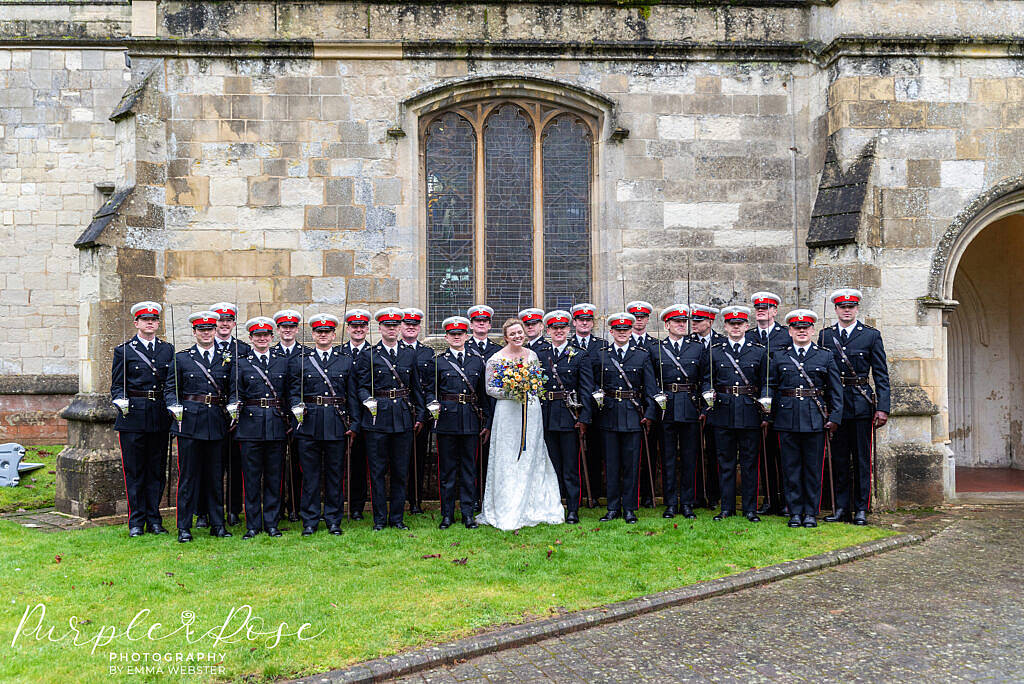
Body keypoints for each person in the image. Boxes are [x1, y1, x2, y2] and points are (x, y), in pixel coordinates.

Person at [476, 318, 564, 530]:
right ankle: (507, 505)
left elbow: (537, 382)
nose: (517, 336)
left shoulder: (532, 355)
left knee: (531, 453)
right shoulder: (496, 359)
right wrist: (513, 391)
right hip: (507, 412)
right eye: (512, 334)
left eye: (520, 333)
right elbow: (490, 389)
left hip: (531, 410)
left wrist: (528, 388)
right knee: (508, 455)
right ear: (505, 337)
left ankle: (533, 504)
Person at [818, 288, 890, 526]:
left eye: (850, 307)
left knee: (861, 459)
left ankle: (861, 508)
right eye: (842, 307)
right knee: (838, 459)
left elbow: (881, 374)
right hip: (835, 406)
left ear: (857, 309)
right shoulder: (825, 336)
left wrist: (883, 408)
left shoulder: (870, 336)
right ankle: (841, 508)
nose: (846, 310)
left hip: (860, 404)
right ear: (836, 309)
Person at [768, 309, 843, 529]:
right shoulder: (780, 356)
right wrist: (768, 413)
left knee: (813, 468)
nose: (802, 331)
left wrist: (835, 417)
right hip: (786, 418)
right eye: (797, 328)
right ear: (790, 331)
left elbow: (835, 390)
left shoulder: (825, 355)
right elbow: (771, 386)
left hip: (815, 418)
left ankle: (810, 512)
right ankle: (794, 512)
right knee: (790, 468)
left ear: (812, 330)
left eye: (806, 328)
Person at [288, 314, 360, 536]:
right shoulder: (300, 360)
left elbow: (352, 396)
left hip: (336, 424)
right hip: (308, 424)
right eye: (319, 332)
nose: (323, 335)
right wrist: (296, 412)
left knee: (334, 475)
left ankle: (333, 519)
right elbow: (292, 393)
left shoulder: (345, 361)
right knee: (309, 476)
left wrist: (355, 423)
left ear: (333, 335)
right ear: (313, 335)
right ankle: (309, 520)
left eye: (327, 332)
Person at [355, 308, 426, 531]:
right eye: (388, 326)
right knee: (376, 471)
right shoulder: (369, 355)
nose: (392, 329)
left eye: (395, 326)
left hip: (403, 418)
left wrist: (421, 413)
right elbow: (362, 385)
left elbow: (415, 387)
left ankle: (397, 518)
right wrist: (367, 400)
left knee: (400, 469)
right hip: (377, 419)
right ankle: (378, 519)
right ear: (380, 329)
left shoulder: (408, 354)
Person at [166, 311, 232, 542]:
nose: (206, 333)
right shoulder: (182, 358)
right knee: (188, 477)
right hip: (190, 424)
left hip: (216, 422)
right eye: (201, 330)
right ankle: (184, 526)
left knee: (215, 477)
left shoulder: (227, 357)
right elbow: (171, 389)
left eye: (210, 329)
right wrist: (174, 407)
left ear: (215, 331)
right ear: (194, 332)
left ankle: (217, 524)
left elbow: (232, 390)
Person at [110, 301, 174, 537]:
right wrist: (120, 400)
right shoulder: (124, 350)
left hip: (158, 416)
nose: (150, 323)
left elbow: (170, 384)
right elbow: (117, 385)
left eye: (154, 319)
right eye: (145, 319)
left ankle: (154, 518)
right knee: (135, 471)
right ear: (136, 322)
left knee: (156, 470)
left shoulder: (167, 350)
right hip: (133, 417)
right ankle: (136, 521)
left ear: (158, 323)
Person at [703, 306, 767, 522]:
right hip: (723, 411)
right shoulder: (715, 350)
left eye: (740, 324)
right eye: (732, 324)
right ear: (726, 327)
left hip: (750, 412)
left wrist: (765, 405)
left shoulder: (758, 351)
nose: (736, 327)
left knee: (749, 463)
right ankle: (727, 507)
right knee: (726, 462)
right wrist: (707, 394)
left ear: (747, 327)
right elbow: (706, 378)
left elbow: (766, 382)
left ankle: (750, 509)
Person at [229, 317, 290, 538]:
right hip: (249, 426)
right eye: (257, 335)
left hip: (275, 424)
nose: (262, 339)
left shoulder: (282, 361)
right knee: (251, 478)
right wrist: (233, 407)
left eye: (266, 335)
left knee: (274, 477)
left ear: (272, 338)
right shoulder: (241, 363)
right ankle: (253, 524)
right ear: (251, 338)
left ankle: (272, 523)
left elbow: (288, 393)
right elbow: (236, 392)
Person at [594, 312, 659, 523]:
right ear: (611, 332)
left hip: (633, 416)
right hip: (609, 415)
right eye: (618, 330)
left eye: (626, 330)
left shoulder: (641, 355)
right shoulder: (602, 354)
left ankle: (630, 508)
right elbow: (594, 385)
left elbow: (651, 388)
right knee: (611, 465)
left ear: (631, 331)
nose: (622, 333)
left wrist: (649, 414)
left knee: (631, 465)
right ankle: (613, 508)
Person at [429, 316, 491, 529]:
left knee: (469, 469)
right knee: (446, 470)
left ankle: (467, 513)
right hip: (446, 421)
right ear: (447, 337)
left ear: (466, 336)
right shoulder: (438, 361)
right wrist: (432, 407)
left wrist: (487, 422)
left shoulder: (477, 361)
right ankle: (447, 515)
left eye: (460, 334)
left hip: (471, 421)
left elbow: (483, 394)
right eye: (452, 334)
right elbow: (430, 390)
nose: (456, 337)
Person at [536, 310, 593, 524]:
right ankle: (553, 505)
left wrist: (584, 418)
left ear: (569, 330)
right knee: (551, 465)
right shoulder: (540, 354)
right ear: (548, 331)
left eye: (562, 328)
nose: (559, 332)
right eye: (554, 328)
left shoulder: (579, 355)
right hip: (546, 415)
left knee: (570, 466)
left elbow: (586, 389)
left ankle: (573, 508)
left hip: (570, 417)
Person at [650, 305, 705, 520]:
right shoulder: (656, 349)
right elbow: (650, 379)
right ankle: (671, 503)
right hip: (667, 408)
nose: (682, 325)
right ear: (667, 325)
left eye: (684, 322)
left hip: (690, 407)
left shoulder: (697, 348)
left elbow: (705, 377)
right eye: (676, 322)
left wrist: (703, 403)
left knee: (690, 457)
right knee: (668, 458)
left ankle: (688, 503)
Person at [205, 302, 248, 528]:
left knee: (234, 464)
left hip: (237, 417)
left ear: (233, 323)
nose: (224, 324)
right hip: (211, 414)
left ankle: (233, 509)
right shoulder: (205, 347)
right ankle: (204, 511)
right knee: (209, 466)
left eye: (228, 320)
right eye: (220, 320)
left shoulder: (243, 349)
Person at [746, 292, 788, 516]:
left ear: (775, 311)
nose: (761, 310)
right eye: (758, 307)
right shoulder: (749, 336)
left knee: (784, 455)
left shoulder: (786, 335)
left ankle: (786, 500)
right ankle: (769, 499)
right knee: (762, 453)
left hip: (782, 401)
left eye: (767, 307)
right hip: (755, 403)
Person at [272, 309, 305, 524]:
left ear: (297, 329)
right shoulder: (270, 352)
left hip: (298, 417)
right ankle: (277, 509)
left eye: (291, 327)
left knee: (298, 463)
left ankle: (296, 506)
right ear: (278, 329)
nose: (287, 330)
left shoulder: (305, 354)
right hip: (273, 416)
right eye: (284, 327)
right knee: (275, 466)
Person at [571, 303, 605, 507]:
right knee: (573, 451)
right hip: (572, 405)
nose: (585, 323)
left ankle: (595, 492)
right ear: (574, 322)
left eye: (588, 320)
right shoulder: (566, 344)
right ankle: (576, 493)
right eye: (580, 319)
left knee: (595, 451)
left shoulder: (601, 346)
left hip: (597, 406)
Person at [690, 304, 723, 509]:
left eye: (699, 320)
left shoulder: (721, 343)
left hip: (715, 405)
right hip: (692, 404)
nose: (694, 324)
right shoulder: (687, 342)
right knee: (692, 452)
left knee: (714, 452)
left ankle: (713, 495)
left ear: (710, 322)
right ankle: (696, 495)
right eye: (692, 320)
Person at [401, 307, 434, 515]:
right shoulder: (394, 351)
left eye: (414, 324)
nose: (411, 327)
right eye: (407, 324)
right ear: (401, 326)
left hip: (421, 413)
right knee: (396, 459)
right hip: (398, 412)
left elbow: (430, 385)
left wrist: (423, 414)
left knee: (418, 460)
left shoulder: (427, 353)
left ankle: (415, 501)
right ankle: (397, 500)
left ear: (419, 328)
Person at [340, 308, 371, 520]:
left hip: (370, 415)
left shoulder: (374, 353)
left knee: (363, 463)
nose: (358, 330)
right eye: (354, 326)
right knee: (339, 463)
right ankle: (342, 503)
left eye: (362, 327)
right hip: (343, 417)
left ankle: (358, 506)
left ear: (367, 329)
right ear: (348, 329)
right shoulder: (339, 353)